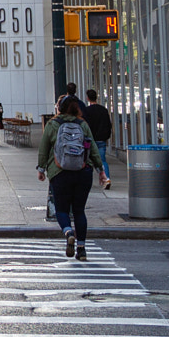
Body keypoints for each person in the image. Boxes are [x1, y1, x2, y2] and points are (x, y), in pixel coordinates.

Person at [37, 96, 110, 259]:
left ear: (59, 108)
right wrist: (101, 170)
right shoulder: (83, 124)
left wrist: (41, 169)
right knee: (79, 211)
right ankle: (82, 249)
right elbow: (93, 150)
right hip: (83, 172)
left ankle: (68, 231)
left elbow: (43, 148)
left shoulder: (53, 124)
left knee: (61, 210)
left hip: (59, 171)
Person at [83, 87, 113, 155]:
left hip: (90, 139)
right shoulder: (103, 110)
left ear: (88, 98)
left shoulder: (86, 111)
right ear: (96, 97)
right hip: (101, 138)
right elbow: (108, 124)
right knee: (102, 160)